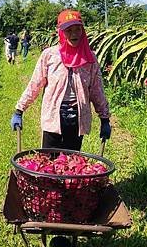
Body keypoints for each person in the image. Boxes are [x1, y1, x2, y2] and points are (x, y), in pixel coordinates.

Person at [10, 10, 111, 150]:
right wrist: (19, 110)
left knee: (72, 162)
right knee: (48, 162)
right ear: (61, 32)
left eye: (77, 29)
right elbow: (35, 84)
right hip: (53, 115)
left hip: (77, 117)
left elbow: (96, 90)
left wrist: (104, 119)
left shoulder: (90, 58)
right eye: (69, 30)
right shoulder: (50, 55)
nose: (74, 34)